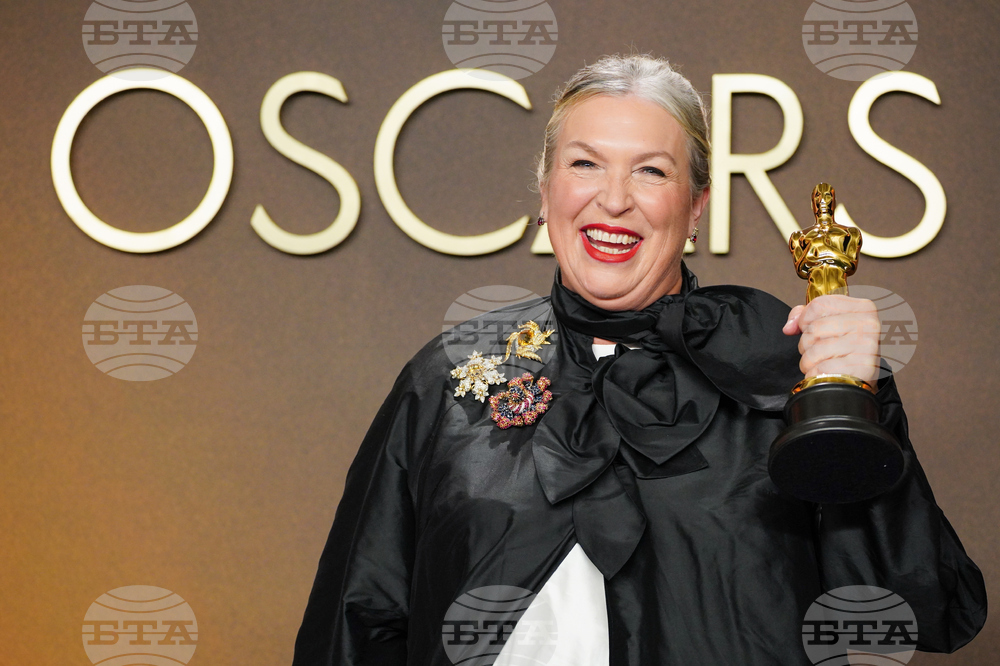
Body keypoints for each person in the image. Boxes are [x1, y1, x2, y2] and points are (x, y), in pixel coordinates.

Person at [292, 54, 986, 665]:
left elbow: (924, 610)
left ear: (696, 207)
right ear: (546, 190)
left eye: (651, 171)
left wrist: (862, 408)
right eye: (584, 163)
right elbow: (355, 628)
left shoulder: (790, 369)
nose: (614, 199)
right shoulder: (448, 378)